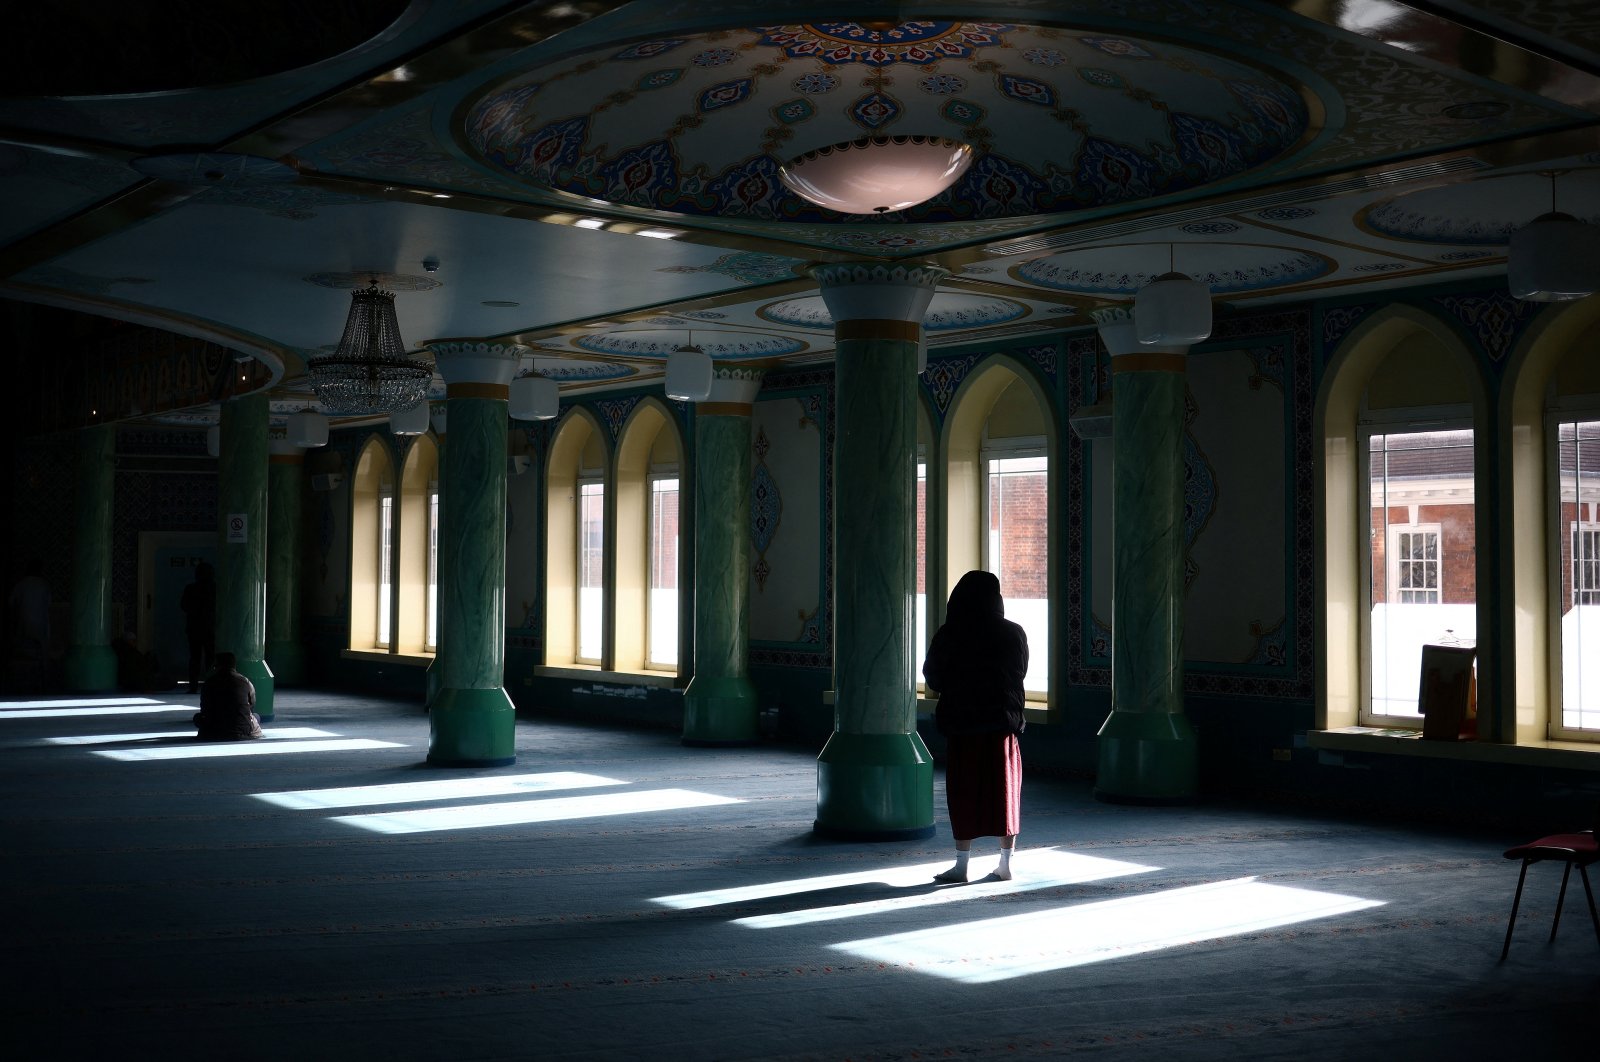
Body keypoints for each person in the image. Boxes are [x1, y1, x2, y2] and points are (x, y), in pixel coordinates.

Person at [922, 570, 1028, 882]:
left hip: (962, 725)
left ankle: (961, 865)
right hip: (1002, 726)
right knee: (1004, 792)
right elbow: (1020, 671)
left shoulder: (950, 633)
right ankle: (1005, 863)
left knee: (963, 791)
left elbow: (934, 677)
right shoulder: (1013, 633)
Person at [5, 559, 52, 692]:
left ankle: (16, 681)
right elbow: (49, 604)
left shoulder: (21, 585)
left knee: (18, 651)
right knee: (43, 654)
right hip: (41, 626)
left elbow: (11, 604)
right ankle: (44, 682)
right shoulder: (44, 585)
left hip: (22, 625)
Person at [194, 652, 262, 741]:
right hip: (241, 731)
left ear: (218, 666)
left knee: (197, 718)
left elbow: (204, 708)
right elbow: (252, 704)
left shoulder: (209, 683)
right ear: (234, 666)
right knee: (256, 716)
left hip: (213, 731)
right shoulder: (245, 681)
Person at [180, 561, 216, 689]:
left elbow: (184, 606)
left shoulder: (191, 588)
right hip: (210, 627)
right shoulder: (215, 588)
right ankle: (211, 685)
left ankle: (193, 685)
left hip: (194, 628)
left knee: (194, 657)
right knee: (210, 658)